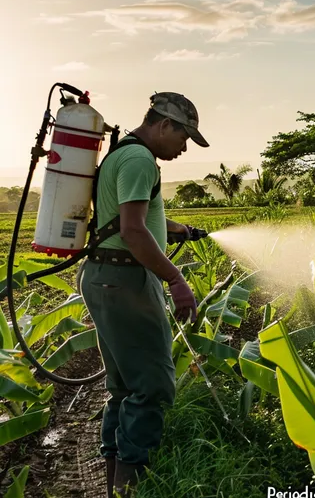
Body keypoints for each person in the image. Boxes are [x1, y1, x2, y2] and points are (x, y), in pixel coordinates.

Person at [78, 92, 210, 497]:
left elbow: (132, 218)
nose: (184, 147)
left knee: (124, 389)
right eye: (183, 137)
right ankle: (130, 491)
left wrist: (178, 229)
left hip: (103, 276)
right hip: (126, 281)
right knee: (151, 386)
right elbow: (133, 231)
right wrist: (175, 279)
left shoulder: (122, 154)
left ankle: (115, 489)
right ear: (163, 125)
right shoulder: (139, 161)